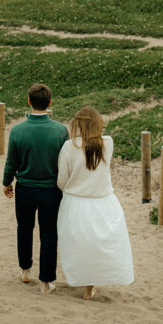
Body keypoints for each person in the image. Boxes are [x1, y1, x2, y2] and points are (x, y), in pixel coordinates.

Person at [56, 105, 134, 300]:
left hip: (76, 203)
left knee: (79, 246)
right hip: (103, 202)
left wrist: (72, 188)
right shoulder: (107, 143)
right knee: (99, 245)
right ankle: (90, 287)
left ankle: (85, 284)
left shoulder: (69, 146)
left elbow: (61, 181)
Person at [2, 83, 69, 294]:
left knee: (24, 229)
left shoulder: (17, 130)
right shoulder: (61, 131)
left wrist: (6, 182)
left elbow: (11, 162)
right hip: (51, 191)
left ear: (29, 101)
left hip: (25, 189)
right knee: (49, 235)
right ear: (50, 103)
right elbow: (65, 163)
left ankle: (25, 270)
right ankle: (46, 281)